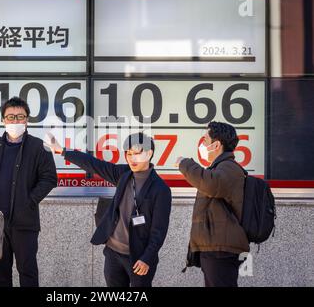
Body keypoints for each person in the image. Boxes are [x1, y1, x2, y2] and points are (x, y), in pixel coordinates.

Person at [46, 132, 172, 287]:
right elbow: (94, 164)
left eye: (137, 153)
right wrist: (63, 151)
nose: (132, 158)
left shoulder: (161, 189)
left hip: (138, 257)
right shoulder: (124, 174)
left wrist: (147, 258)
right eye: (128, 154)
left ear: (149, 154)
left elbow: (159, 231)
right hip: (113, 253)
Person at [0, 96, 57, 287]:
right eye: (10, 117)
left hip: (25, 223)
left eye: (20, 116)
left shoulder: (38, 147)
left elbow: (50, 177)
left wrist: (29, 200)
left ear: (27, 120)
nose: (15, 121)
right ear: (3, 120)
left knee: (27, 271)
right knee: (0, 273)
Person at [176, 121, 249, 287]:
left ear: (216, 145)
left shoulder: (229, 168)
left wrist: (185, 164)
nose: (202, 144)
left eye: (205, 141)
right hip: (215, 248)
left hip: (221, 250)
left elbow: (211, 185)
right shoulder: (219, 168)